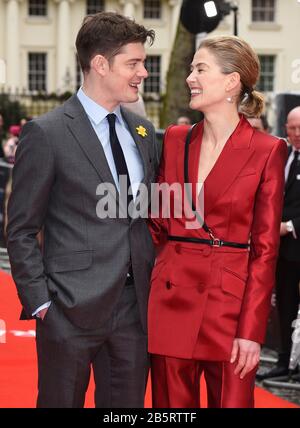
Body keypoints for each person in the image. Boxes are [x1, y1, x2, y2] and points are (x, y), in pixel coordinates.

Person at [7, 12, 158, 408]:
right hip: (68, 310)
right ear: (100, 64)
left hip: (133, 312)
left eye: (143, 63)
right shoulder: (48, 132)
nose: (143, 72)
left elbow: (145, 217)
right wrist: (41, 303)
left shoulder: (143, 133)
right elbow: (21, 228)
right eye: (134, 63)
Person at [147, 35, 287, 408]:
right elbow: (157, 222)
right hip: (170, 301)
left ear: (231, 81)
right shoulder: (176, 139)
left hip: (230, 309)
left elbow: (266, 249)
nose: (190, 77)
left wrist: (252, 332)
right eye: (191, 68)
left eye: (200, 69)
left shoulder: (267, 150)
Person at [257, 106, 300, 380]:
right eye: (292, 127)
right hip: (281, 251)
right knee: (284, 306)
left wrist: (289, 226)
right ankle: (284, 360)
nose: (296, 133)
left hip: (293, 238)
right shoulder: (281, 153)